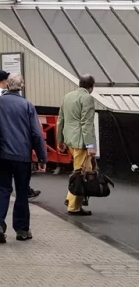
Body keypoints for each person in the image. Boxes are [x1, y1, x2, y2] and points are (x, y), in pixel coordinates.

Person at [0, 73, 47, 244]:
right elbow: (36, 134)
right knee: (22, 192)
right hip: (22, 157)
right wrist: (42, 157)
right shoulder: (27, 106)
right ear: (21, 86)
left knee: (2, 190)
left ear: (7, 85)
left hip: (0, 155)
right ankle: (22, 230)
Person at [0, 71, 41, 203]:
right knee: (11, 170)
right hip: (7, 137)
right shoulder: (1, 96)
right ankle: (0, 192)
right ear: (5, 82)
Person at [58, 74, 98, 216]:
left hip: (70, 138)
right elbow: (86, 124)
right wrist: (91, 145)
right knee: (81, 173)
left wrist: (60, 140)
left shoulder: (68, 96)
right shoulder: (87, 98)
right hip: (81, 140)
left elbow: (60, 119)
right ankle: (74, 206)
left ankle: (70, 198)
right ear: (91, 87)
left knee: (80, 169)